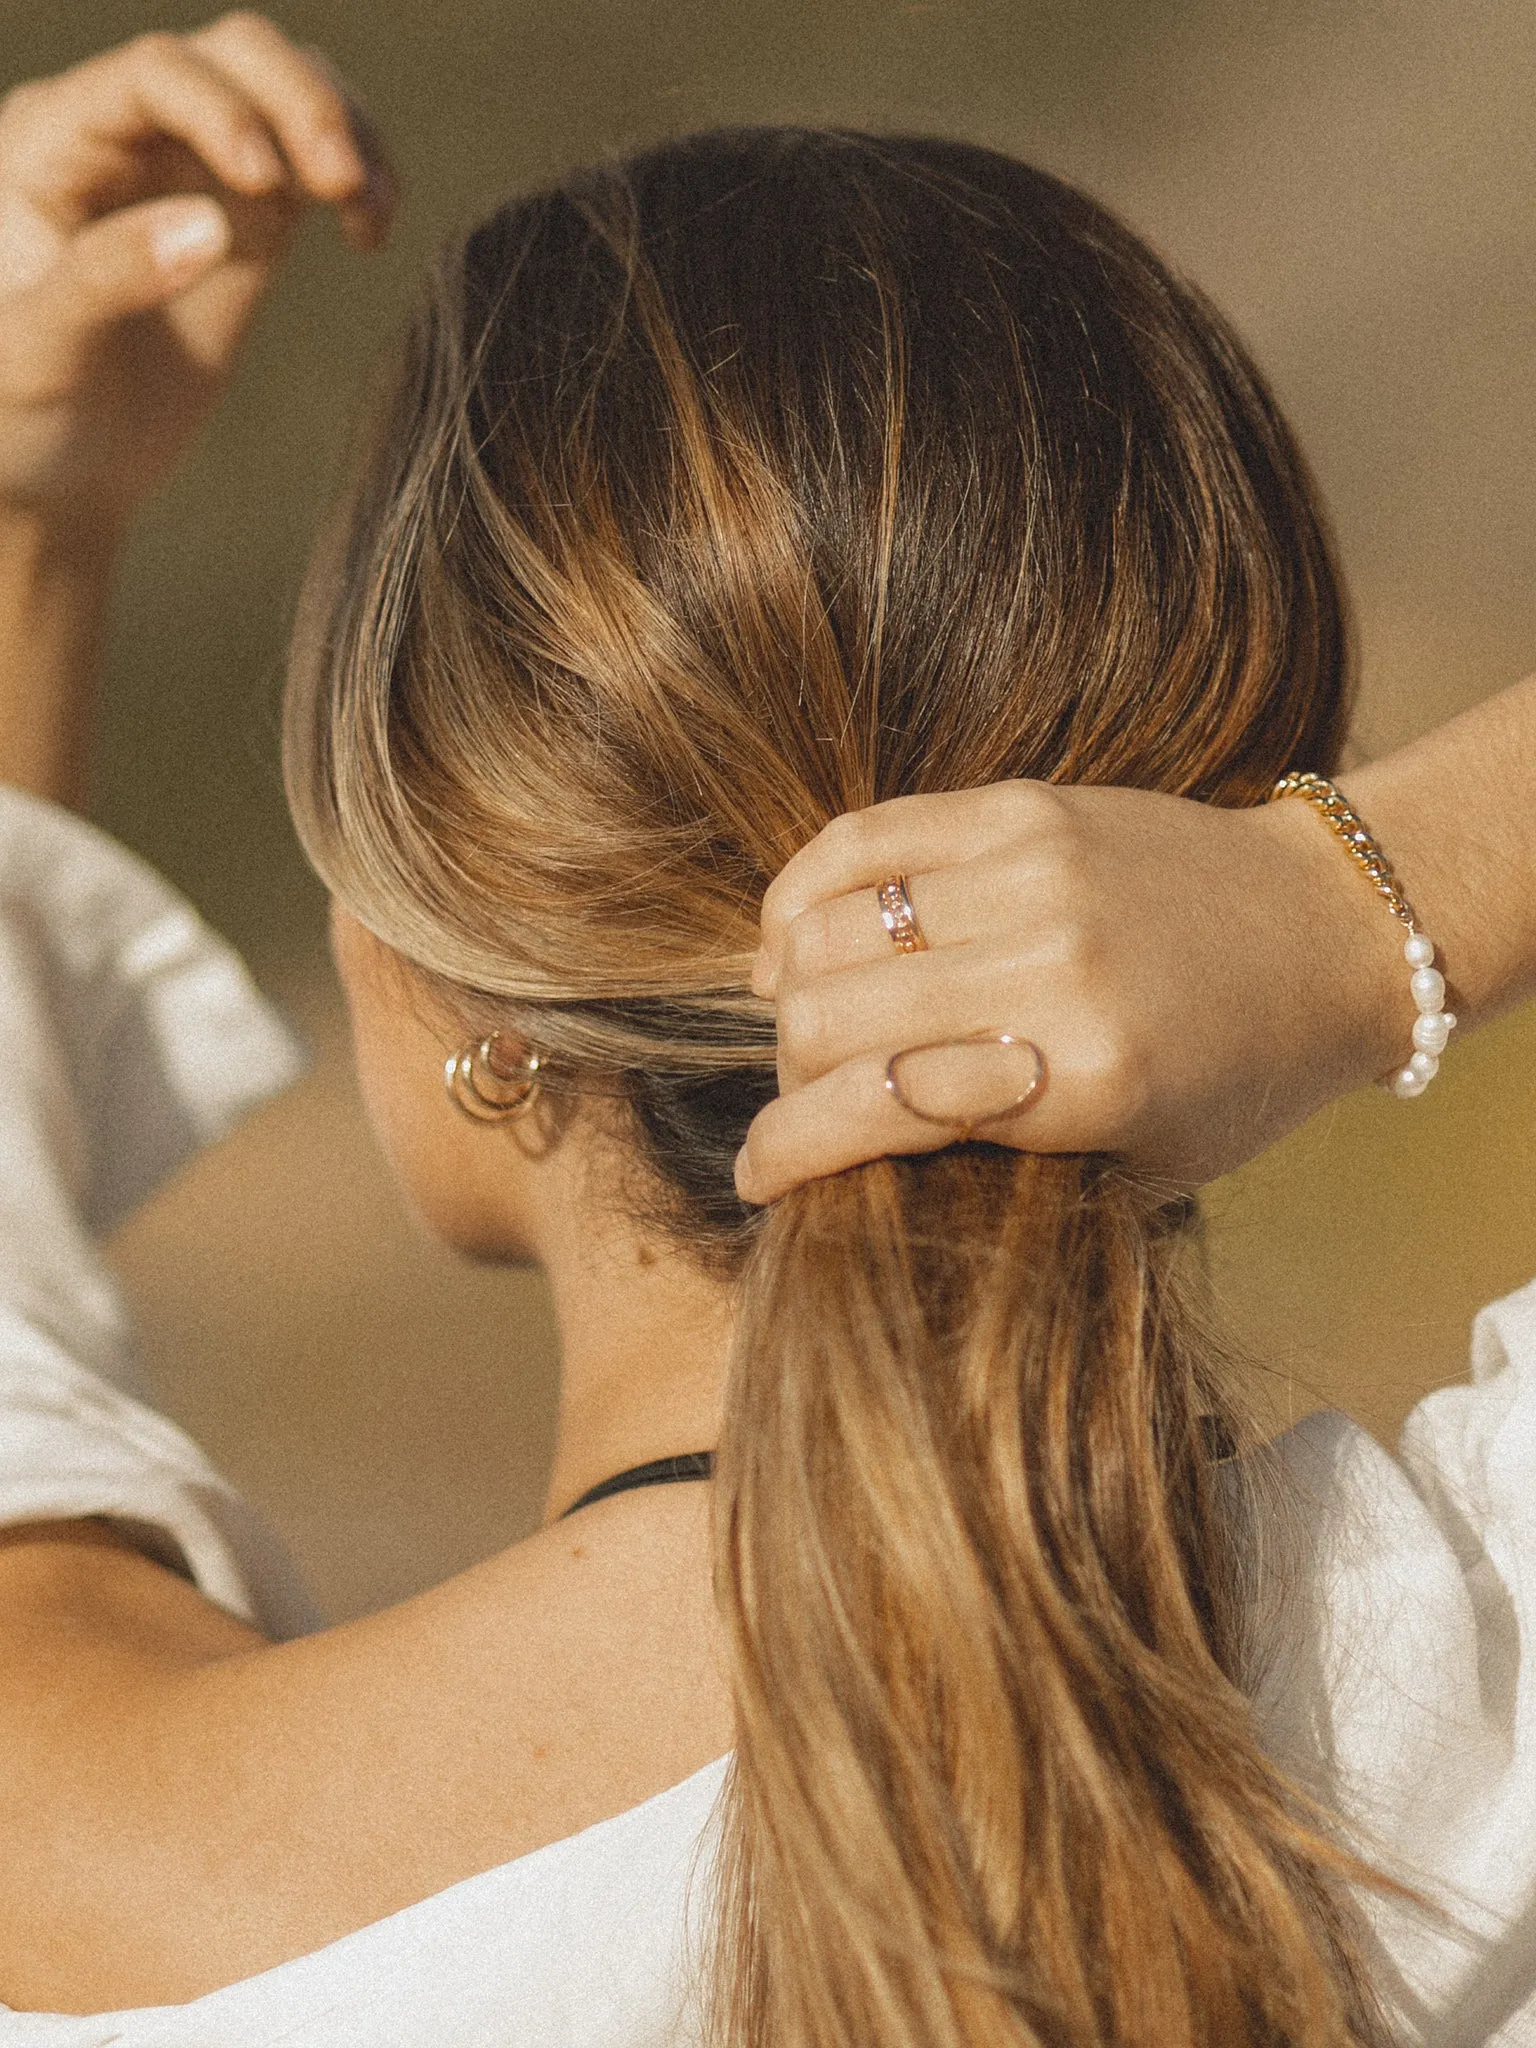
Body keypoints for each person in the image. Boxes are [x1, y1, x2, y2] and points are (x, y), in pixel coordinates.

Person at [0, 17, 1534, 2045]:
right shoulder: (1474, 1674)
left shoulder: (89, 1877)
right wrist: (1357, 908)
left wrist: (32, 532)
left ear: (437, 969)